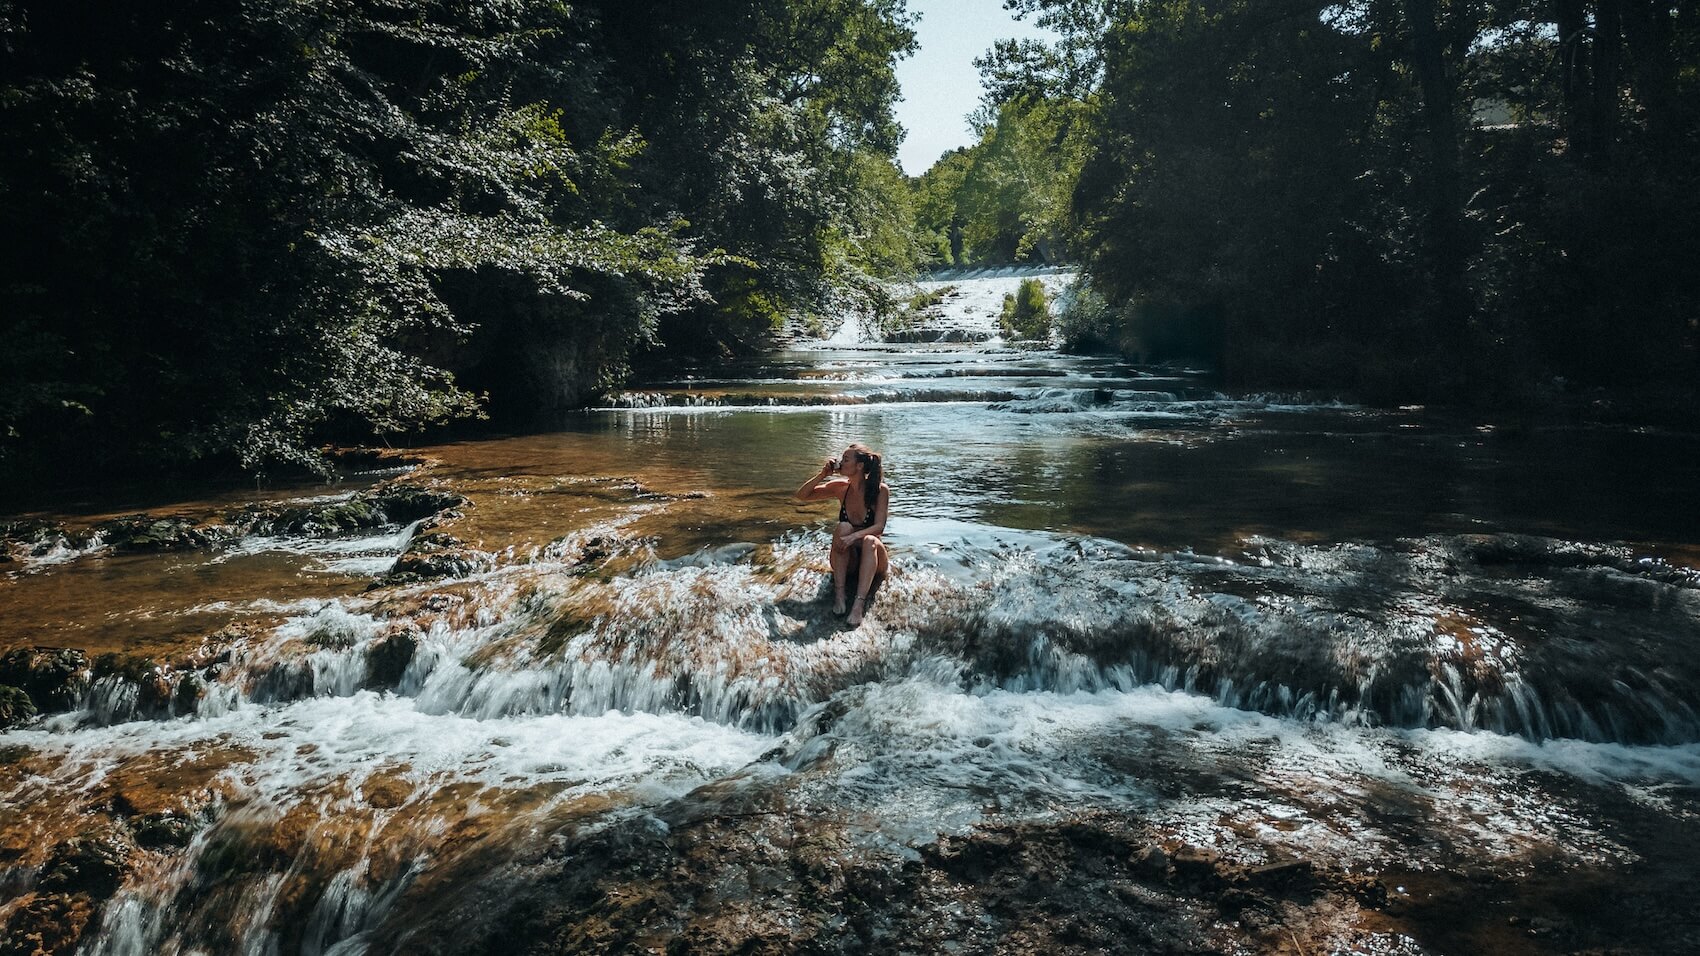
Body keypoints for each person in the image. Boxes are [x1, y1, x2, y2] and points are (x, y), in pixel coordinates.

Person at [793, 442, 890, 625]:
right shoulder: (840, 488)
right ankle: (840, 597)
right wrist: (823, 475)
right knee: (843, 527)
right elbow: (802, 495)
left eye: (846, 459)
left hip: (873, 559)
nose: (840, 462)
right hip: (849, 559)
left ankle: (858, 606)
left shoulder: (880, 490)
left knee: (869, 539)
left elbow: (879, 527)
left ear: (859, 466)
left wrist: (854, 537)